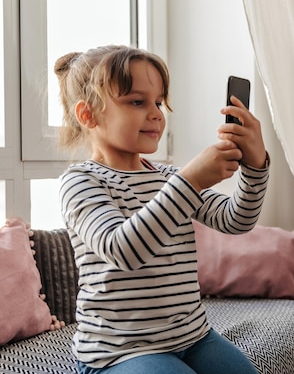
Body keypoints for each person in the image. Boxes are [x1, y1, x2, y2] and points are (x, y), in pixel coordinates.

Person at [55, 44, 269, 374]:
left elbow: (235, 220)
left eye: (158, 102)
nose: (156, 113)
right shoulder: (82, 182)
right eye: (137, 102)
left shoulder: (167, 177)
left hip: (194, 337)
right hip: (121, 351)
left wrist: (254, 168)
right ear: (88, 115)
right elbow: (122, 249)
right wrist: (190, 181)